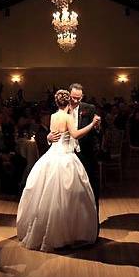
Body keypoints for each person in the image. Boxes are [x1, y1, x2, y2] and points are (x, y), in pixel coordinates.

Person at [17, 90, 101, 252]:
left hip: (52, 156)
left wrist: (49, 137)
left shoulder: (54, 116)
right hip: (66, 158)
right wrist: (92, 124)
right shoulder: (68, 117)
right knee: (69, 196)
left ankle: (50, 231)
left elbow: (54, 135)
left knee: (49, 195)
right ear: (68, 101)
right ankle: (67, 234)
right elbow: (75, 135)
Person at [48, 83, 101, 224]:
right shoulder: (61, 111)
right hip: (67, 156)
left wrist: (96, 125)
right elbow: (55, 130)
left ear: (82, 96)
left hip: (85, 154)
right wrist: (49, 137)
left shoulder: (89, 109)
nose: (76, 101)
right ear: (68, 95)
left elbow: (96, 133)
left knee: (90, 190)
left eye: (79, 98)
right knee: (66, 194)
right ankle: (69, 224)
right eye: (73, 97)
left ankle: (91, 224)